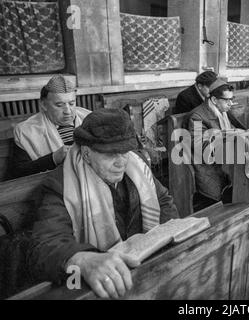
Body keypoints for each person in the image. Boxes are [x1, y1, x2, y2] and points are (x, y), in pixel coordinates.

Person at [27, 109, 179, 299]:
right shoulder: (62, 184)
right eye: (111, 154)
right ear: (86, 153)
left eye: (124, 152)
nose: (121, 162)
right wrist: (82, 259)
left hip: (145, 269)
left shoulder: (136, 163)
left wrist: (167, 241)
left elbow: (163, 201)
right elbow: (45, 245)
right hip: (99, 286)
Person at [10, 75, 90, 179]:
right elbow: (18, 172)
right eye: (59, 105)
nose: (68, 111)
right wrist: (53, 158)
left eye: (71, 103)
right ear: (43, 104)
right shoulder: (26, 131)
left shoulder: (89, 118)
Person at [188, 79, 245, 203]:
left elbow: (233, 130)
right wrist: (228, 135)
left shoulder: (223, 111)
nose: (231, 103)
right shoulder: (197, 117)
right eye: (227, 100)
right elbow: (200, 147)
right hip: (209, 167)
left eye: (232, 99)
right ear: (214, 100)